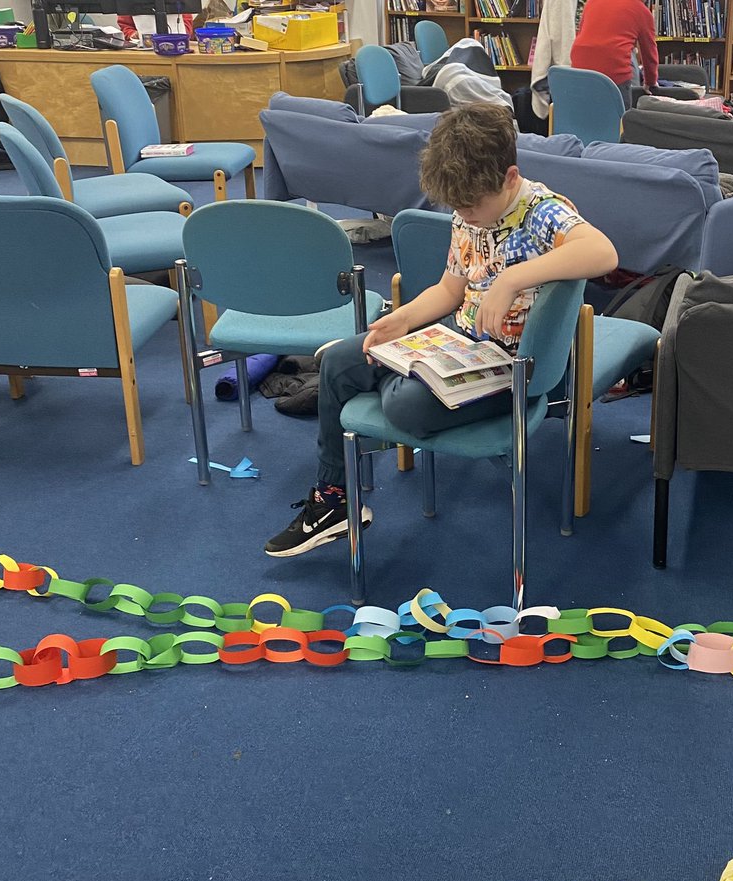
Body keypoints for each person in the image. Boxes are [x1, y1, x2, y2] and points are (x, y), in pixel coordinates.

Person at [264, 102, 618, 558]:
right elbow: (451, 289)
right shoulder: (466, 211)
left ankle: (406, 378)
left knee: (407, 408)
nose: (465, 214)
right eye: (457, 207)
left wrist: (512, 278)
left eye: (471, 205)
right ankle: (334, 501)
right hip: (459, 344)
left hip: (513, 367)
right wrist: (405, 319)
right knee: (338, 361)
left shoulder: (542, 211)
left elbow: (603, 252)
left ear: (510, 178)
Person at [569, 0, 658, 108]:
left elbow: (581, 33)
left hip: (578, 71)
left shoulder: (592, 2)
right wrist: (650, 82)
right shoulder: (641, 10)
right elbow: (649, 53)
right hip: (613, 73)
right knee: (621, 121)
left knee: (584, 116)